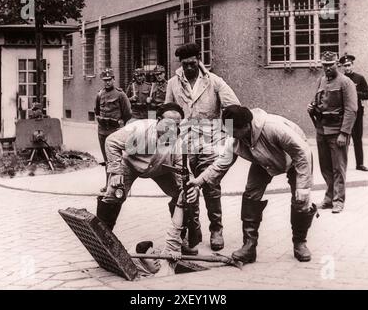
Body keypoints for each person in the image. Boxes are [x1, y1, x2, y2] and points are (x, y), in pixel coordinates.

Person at [188, 105, 317, 263]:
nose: (231, 135)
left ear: (247, 126)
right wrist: (199, 181)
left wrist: (303, 187)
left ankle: (300, 243)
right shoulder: (234, 139)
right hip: (262, 161)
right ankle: (249, 246)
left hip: (296, 160)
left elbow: (301, 153)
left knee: (300, 200)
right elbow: (221, 164)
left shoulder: (273, 128)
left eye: (234, 131)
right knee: (250, 195)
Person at [165, 42, 241, 253]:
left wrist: (226, 135)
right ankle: (192, 229)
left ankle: (216, 229)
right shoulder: (173, 83)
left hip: (210, 143)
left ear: (199, 60)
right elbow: (168, 113)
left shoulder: (215, 82)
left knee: (211, 186)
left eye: (192, 63)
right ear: (180, 64)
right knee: (187, 186)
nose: (189, 68)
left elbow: (234, 107)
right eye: (185, 64)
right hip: (185, 145)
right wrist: (170, 144)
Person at [98, 103, 200, 243]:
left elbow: (181, 168)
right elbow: (111, 142)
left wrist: (190, 187)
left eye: (177, 125)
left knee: (183, 193)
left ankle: (180, 237)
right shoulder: (139, 129)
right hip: (131, 164)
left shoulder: (178, 141)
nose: (173, 129)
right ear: (158, 120)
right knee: (115, 193)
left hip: (161, 169)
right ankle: (103, 238)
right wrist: (116, 172)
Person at [307, 51, 358, 213]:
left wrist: (344, 133)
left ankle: (338, 200)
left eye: (330, 65)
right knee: (325, 167)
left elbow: (351, 109)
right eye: (324, 65)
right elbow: (318, 102)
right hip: (321, 129)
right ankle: (329, 198)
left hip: (337, 131)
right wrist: (312, 108)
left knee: (338, 168)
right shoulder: (320, 81)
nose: (327, 68)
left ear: (337, 64)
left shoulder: (346, 82)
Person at [131, 190, 189, 278]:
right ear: (141, 264)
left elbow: (174, 234)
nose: (156, 258)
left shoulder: (165, 263)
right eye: (150, 256)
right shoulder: (139, 281)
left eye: (154, 253)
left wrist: (179, 204)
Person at [95, 68, 132, 193]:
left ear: (114, 79)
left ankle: (120, 185)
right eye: (105, 80)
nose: (107, 83)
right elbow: (96, 111)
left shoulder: (120, 95)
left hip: (115, 131)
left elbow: (127, 113)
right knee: (106, 160)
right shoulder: (99, 94)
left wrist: (120, 125)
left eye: (109, 80)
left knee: (116, 159)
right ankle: (108, 184)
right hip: (102, 131)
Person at [339, 54, 368, 172]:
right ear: (342, 67)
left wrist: (355, 93)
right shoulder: (340, 79)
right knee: (344, 139)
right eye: (344, 66)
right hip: (344, 114)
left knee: (357, 138)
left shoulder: (359, 78)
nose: (347, 68)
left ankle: (360, 164)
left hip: (357, 113)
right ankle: (342, 165)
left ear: (352, 65)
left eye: (349, 65)